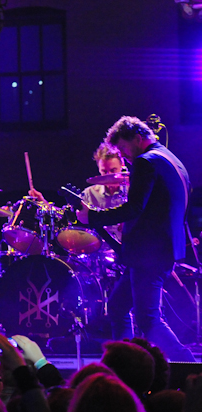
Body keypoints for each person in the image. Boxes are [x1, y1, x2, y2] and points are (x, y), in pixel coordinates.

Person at [78, 116, 195, 361]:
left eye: (123, 149)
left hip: (149, 254)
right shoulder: (171, 159)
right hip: (158, 250)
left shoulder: (145, 162)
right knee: (118, 308)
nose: (124, 156)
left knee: (148, 319)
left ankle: (190, 367)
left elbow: (133, 208)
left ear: (139, 139)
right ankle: (126, 364)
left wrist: (93, 218)